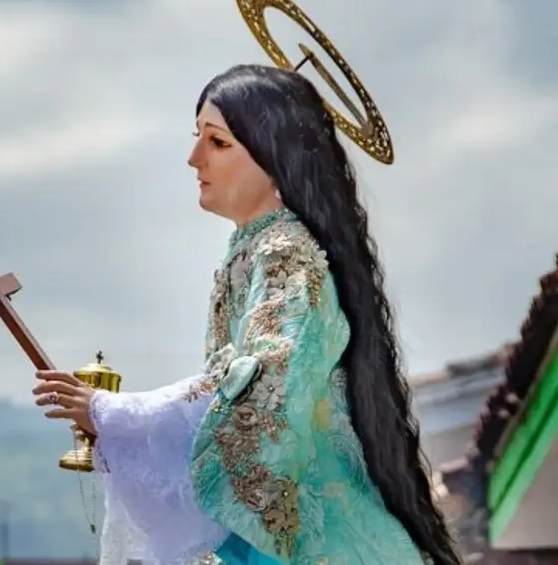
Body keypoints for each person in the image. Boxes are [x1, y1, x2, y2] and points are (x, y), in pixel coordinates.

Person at [31, 65, 461, 565]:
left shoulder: (285, 254)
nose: (194, 159)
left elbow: (261, 386)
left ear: (274, 155)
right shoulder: (258, 249)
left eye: (217, 143)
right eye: (198, 139)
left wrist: (118, 415)